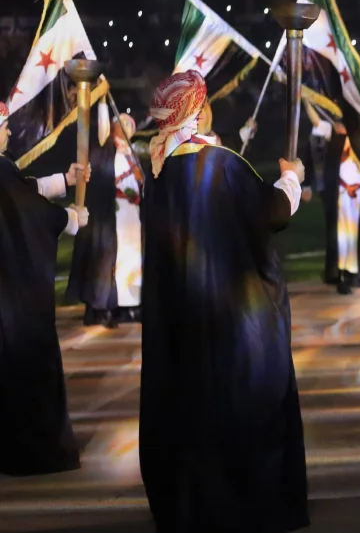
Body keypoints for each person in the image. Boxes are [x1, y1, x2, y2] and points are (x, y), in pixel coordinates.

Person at [139, 71, 309, 533]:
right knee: (240, 405)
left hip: (181, 315)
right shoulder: (219, 164)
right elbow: (270, 213)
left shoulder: (158, 171)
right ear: (198, 110)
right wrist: (291, 179)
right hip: (229, 316)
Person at [0, 101, 88, 476]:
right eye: (3, 126)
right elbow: (24, 209)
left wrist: (63, 181)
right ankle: (33, 450)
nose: (8, 131)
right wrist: (67, 217)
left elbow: (19, 192)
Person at [67, 109, 144, 327]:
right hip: (108, 215)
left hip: (131, 217)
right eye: (122, 124)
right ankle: (100, 307)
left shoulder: (134, 155)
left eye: (129, 125)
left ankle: (127, 306)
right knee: (104, 261)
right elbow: (100, 182)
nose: (126, 128)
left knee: (131, 261)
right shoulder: (104, 152)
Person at [313, 117, 360, 295]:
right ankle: (342, 275)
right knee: (343, 236)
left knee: (359, 235)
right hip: (343, 196)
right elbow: (318, 123)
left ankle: (358, 274)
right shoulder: (336, 138)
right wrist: (306, 102)